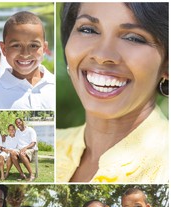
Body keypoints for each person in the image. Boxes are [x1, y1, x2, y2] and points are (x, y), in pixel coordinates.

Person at [56, 2, 169, 183]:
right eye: (88, 30)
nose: (102, 55)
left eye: (133, 38)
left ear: (167, 64)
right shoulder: (50, 146)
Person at [0, 11, 55, 109]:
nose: (25, 54)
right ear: (4, 49)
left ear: (44, 48)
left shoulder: (55, 86)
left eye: (33, 45)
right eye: (16, 46)